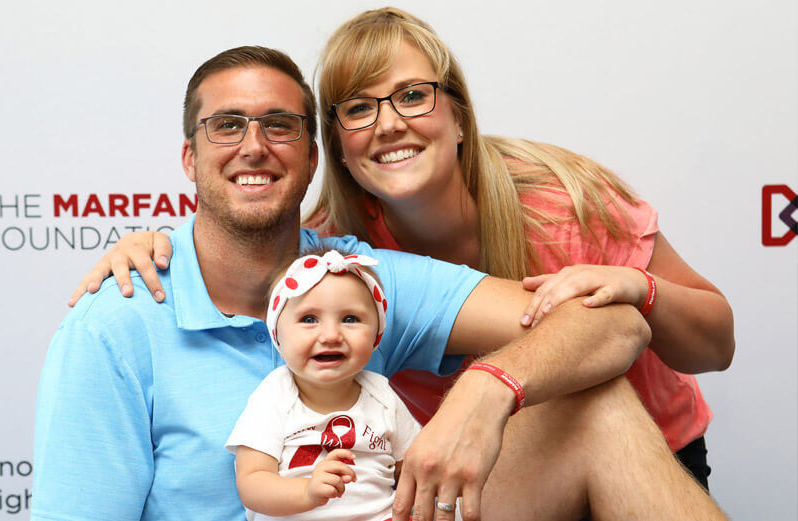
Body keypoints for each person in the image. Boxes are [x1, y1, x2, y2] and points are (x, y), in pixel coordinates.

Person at [39, 44, 728, 521]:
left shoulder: (353, 277)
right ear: (190, 157)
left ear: (312, 158)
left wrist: (490, 389)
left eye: (279, 126)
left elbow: (613, 323)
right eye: (227, 127)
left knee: (595, 401)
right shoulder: (119, 319)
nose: (254, 146)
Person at [228, 248, 421, 521]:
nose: (331, 335)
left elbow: (412, 467)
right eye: (309, 319)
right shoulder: (275, 395)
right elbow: (252, 482)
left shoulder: (381, 394)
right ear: (278, 338)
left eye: (350, 319)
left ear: (376, 335)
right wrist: (306, 491)